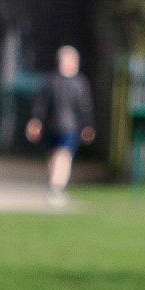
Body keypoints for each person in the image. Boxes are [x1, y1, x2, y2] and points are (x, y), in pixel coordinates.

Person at [26, 45, 95, 203]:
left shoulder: (80, 83)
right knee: (53, 158)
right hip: (51, 126)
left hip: (70, 128)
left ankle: (56, 188)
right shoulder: (51, 80)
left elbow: (85, 107)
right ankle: (56, 186)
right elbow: (41, 104)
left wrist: (87, 126)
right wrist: (35, 121)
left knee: (62, 155)